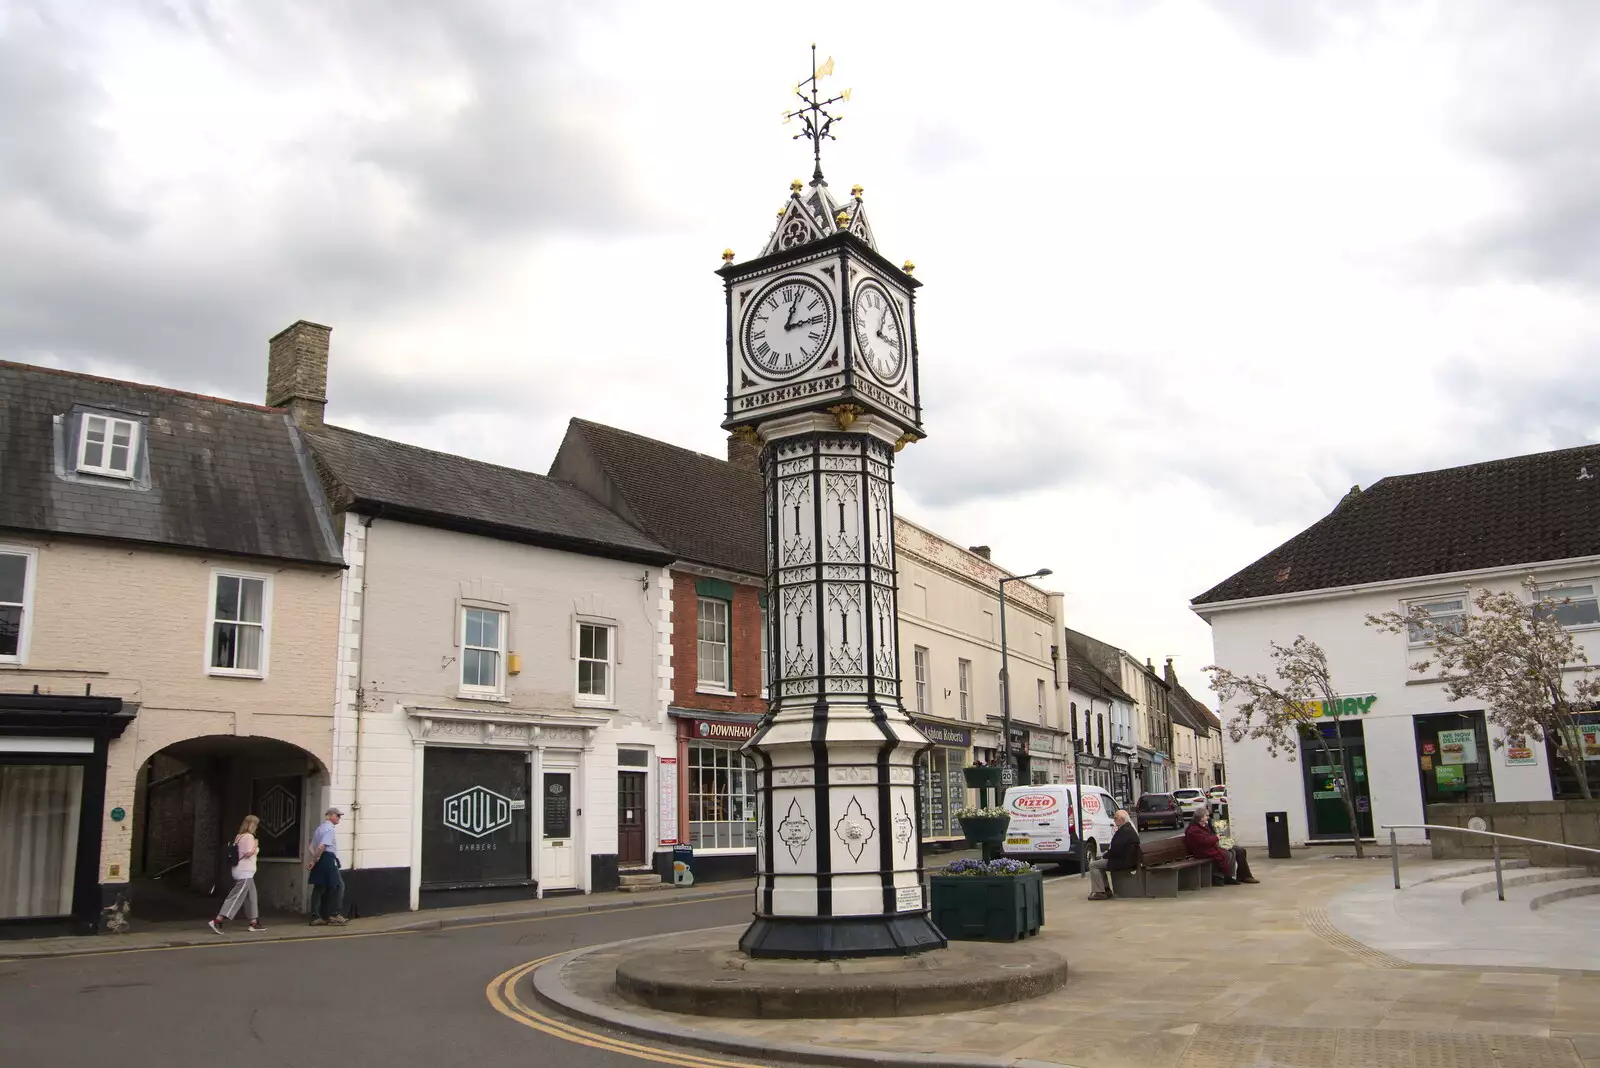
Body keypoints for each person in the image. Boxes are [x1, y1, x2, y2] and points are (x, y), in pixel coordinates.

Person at [209, 814, 266, 934]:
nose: (256, 827)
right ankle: (218, 920)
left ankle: (254, 922)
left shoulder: (239, 837)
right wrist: (256, 845)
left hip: (242, 871)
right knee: (236, 897)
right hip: (245, 872)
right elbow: (248, 853)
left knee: (251, 897)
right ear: (252, 825)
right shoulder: (249, 837)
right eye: (255, 825)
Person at [1184, 806, 1258, 885]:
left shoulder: (1204, 826)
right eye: (1207, 816)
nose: (1208, 818)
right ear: (1201, 818)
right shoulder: (1194, 829)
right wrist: (1216, 838)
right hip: (1205, 850)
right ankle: (1227, 876)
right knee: (1229, 853)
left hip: (1211, 847)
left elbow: (1209, 837)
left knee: (1239, 850)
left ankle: (1244, 876)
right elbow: (1204, 841)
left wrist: (1219, 837)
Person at [305, 807, 347, 926]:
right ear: (331, 815)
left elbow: (311, 847)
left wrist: (314, 860)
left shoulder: (319, 829)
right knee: (338, 885)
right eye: (338, 815)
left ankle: (315, 916)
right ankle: (334, 914)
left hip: (321, 859)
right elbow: (321, 846)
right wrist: (318, 857)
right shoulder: (329, 829)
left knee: (319, 887)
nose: (339, 818)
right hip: (328, 858)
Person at [1088, 809, 1140, 900]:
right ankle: (1105, 889)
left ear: (1122, 819)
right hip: (1127, 859)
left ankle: (1100, 892)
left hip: (1122, 861)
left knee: (1093, 865)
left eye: (1116, 818)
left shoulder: (1124, 831)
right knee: (1099, 864)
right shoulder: (1128, 829)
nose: (1114, 820)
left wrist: (1104, 855)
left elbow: (1115, 850)